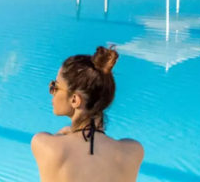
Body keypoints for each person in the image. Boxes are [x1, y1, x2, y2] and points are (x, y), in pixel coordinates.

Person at [32, 46, 143, 182]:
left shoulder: (44, 145)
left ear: (74, 100)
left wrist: (61, 134)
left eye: (55, 86)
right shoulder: (132, 151)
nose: (52, 91)